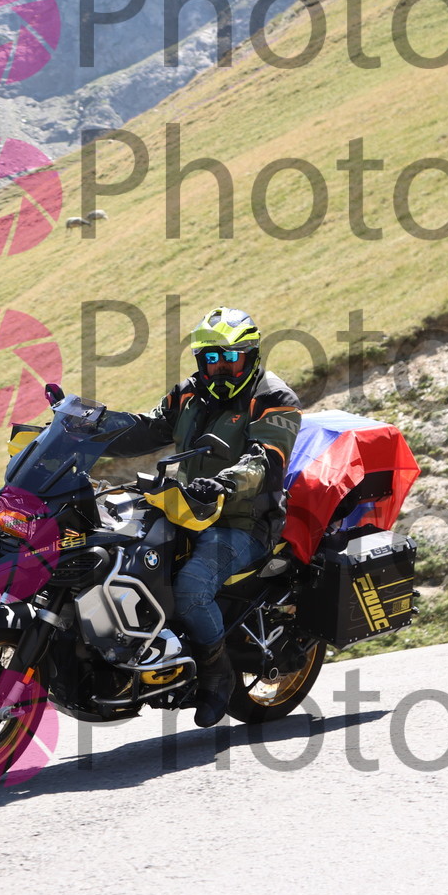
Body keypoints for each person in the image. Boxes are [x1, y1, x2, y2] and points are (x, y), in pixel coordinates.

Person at [97, 307, 302, 727]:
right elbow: (146, 429)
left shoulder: (273, 399)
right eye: (211, 358)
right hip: (187, 507)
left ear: (251, 356)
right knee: (115, 554)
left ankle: (217, 672)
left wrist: (224, 483)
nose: (220, 368)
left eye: (230, 358)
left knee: (191, 587)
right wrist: (87, 428)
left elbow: (264, 459)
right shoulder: (189, 394)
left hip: (245, 522)